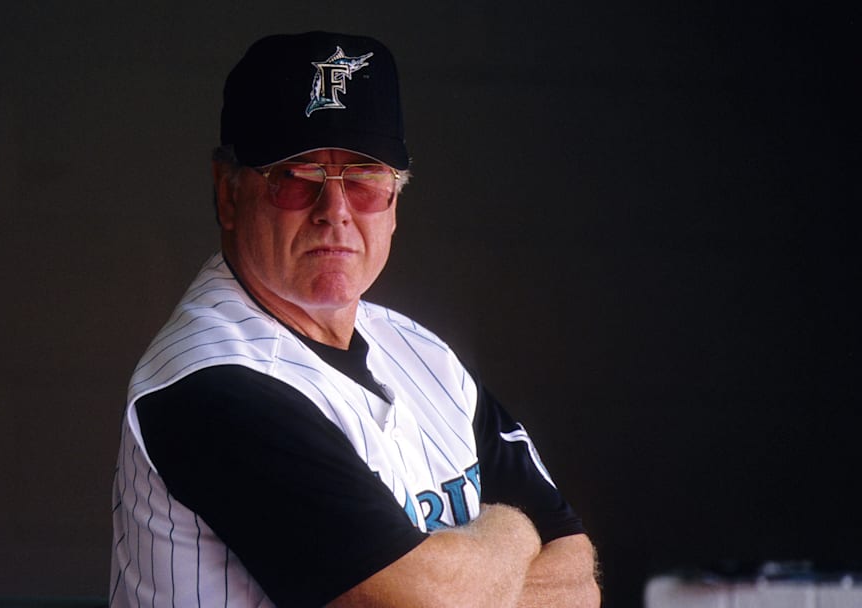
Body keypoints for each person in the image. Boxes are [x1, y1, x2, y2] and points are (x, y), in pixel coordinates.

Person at [111, 31, 600, 608]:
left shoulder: (424, 355)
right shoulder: (210, 384)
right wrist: (516, 532)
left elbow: (577, 585)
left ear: (395, 198)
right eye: (297, 178)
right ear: (228, 193)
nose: (335, 212)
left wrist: (465, 577)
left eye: (365, 180)